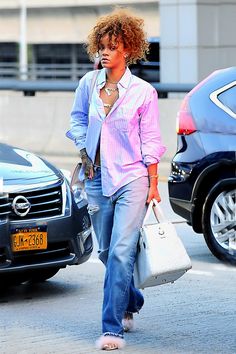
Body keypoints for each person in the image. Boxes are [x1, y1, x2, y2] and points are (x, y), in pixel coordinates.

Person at [66, 7, 166, 351]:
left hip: (132, 178)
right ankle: (130, 297)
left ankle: (113, 330)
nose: (105, 52)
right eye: (102, 46)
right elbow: (76, 119)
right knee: (108, 254)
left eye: (112, 45)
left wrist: (154, 183)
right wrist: (82, 144)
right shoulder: (88, 84)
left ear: (129, 48)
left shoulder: (142, 92)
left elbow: (151, 139)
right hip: (96, 178)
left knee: (122, 252)